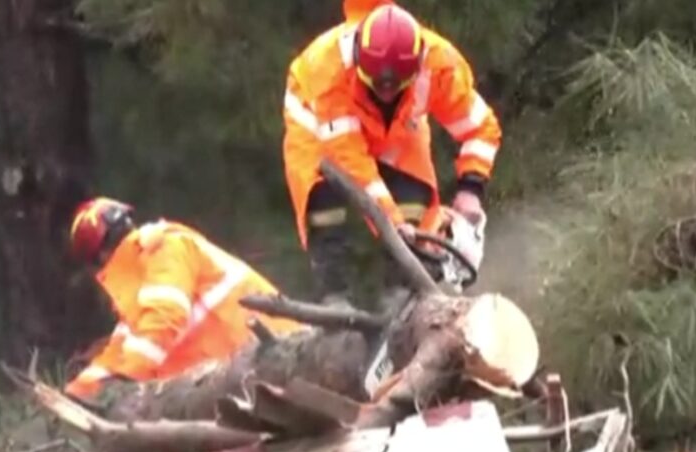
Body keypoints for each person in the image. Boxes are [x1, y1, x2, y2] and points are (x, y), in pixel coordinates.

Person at [281, 0, 502, 308]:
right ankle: (336, 297)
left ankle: (402, 296)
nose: (385, 94)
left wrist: (471, 190)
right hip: (320, 130)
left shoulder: (440, 65)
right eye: (376, 85)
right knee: (326, 205)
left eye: (394, 87)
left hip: (395, 131)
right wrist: (395, 224)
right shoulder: (328, 74)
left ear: (416, 67)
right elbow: (353, 166)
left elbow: (481, 128)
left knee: (416, 203)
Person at [63, 197, 303, 400]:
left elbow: (164, 318)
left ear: (100, 257)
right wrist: (77, 394)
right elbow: (120, 350)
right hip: (243, 370)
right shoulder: (143, 280)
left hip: (276, 359)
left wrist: (127, 378)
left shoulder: (165, 249)